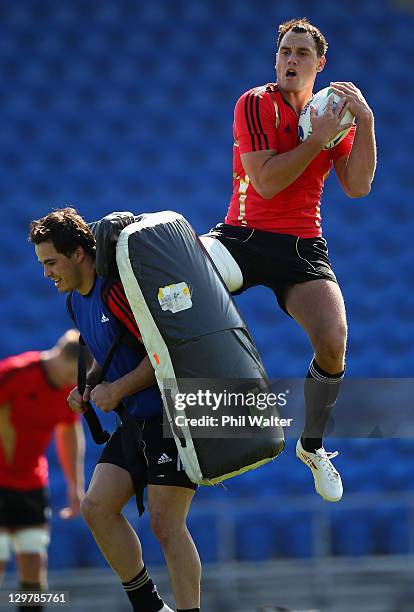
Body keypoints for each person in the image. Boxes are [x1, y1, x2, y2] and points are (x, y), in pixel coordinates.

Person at [207, 17, 377, 502]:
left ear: (320, 64)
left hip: (301, 245)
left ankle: (313, 445)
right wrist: (317, 139)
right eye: (285, 51)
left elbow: (358, 185)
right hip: (242, 235)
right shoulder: (256, 102)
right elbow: (266, 183)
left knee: (333, 338)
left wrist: (364, 123)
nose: (291, 60)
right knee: (179, 290)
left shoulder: (331, 116)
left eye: (302, 53)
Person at [29, 207, 201, 612]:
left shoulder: (117, 290)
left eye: (51, 262)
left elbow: (164, 351)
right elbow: (104, 356)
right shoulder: (76, 303)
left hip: (171, 417)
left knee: (165, 523)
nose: (46, 273)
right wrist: (88, 387)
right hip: (135, 421)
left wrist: (118, 389)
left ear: (76, 254)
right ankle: (150, 606)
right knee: (97, 508)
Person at [0, 330, 85, 612]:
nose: (75, 382)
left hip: (31, 484)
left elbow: (69, 431)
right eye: (74, 374)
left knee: (34, 562)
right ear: (63, 356)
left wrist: (75, 485)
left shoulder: (67, 391)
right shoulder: (16, 373)